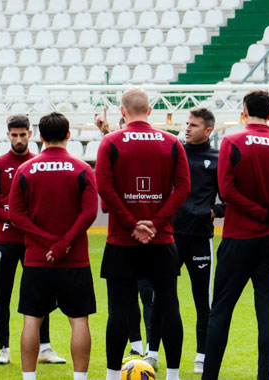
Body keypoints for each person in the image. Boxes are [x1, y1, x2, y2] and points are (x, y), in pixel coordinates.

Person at [204, 90, 269, 380]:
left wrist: (260, 214)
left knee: (221, 311)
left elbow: (227, 192)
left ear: (244, 111)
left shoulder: (232, 142)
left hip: (237, 240)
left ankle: (209, 377)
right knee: (267, 313)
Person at [96, 87, 190, 380]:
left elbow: (104, 188)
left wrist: (131, 223)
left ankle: (112, 375)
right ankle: (173, 375)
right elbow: (183, 188)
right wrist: (157, 223)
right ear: (150, 111)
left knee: (120, 309)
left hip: (122, 240)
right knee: (169, 305)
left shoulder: (110, 142)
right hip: (161, 241)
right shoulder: (172, 142)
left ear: (122, 112)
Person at [9, 112, 99, 380]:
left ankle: (29, 377)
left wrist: (47, 242)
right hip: (74, 259)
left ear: (40, 136)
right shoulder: (83, 169)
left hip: (37, 259)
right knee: (79, 320)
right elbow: (90, 213)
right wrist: (62, 243)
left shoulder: (26, 169)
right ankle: (80, 377)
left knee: (32, 319)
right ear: (69, 135)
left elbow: (16, 215)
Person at [146, 107, 225, 374]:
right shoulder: (174, 152)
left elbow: (230, 197)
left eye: (194, 125)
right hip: (169, 238)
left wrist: (213, 211)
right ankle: (152, 353)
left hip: (201, 239)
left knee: (203, 301)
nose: (187, 128)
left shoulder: (218, 158)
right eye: (187, 123)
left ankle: (201, 356)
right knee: (161, 297)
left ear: (208, 130)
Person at [0, 114, 65, 366]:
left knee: (40, 292)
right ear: (8, 135)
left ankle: (45, 347)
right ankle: (3, 349)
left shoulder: (38, 163)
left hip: (34, 241)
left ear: (31, 134)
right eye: (14, 135)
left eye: (23, 134)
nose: (18, 139)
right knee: (3, 295)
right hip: (6, 240)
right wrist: (10, 215)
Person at [95, 112, 154, 363]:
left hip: (134, 237)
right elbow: (105, 204)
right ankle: (138, 345)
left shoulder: (144, 156)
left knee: (145, 295)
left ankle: (151, 349)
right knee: (128, 300)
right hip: (144, 235)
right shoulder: (116, 150)